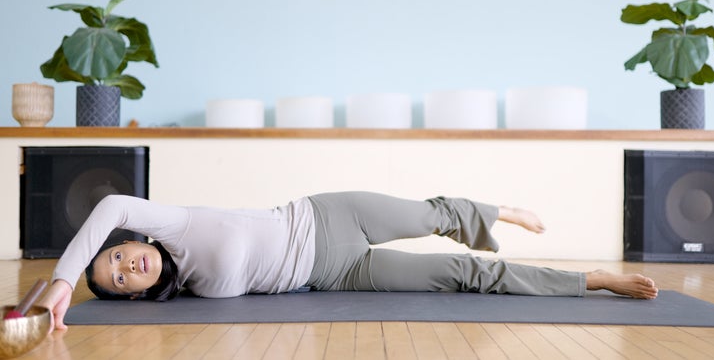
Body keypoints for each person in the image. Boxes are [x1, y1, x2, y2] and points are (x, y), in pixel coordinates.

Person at [40, 192, 658, 331]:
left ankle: (499, 211)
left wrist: (63, 281)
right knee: (465, 275)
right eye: (117, 281)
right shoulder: (190, 296)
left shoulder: (171, 225)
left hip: (330, 217)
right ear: (134, 296)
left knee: (433, 216)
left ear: (136, 241)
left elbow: (111, 202)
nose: (126, 268)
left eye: (119, 256)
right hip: (335, 273)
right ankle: (590, 280)